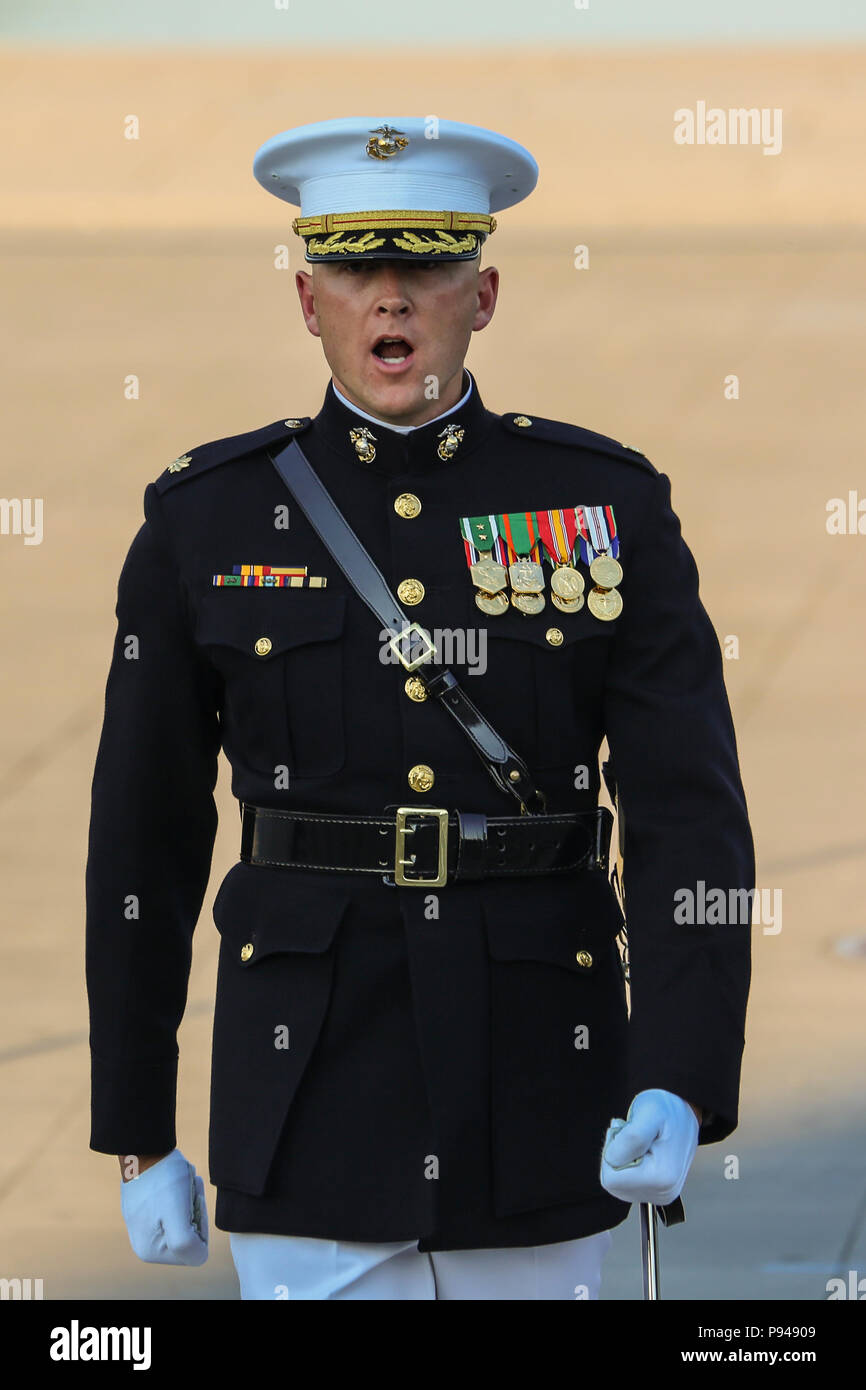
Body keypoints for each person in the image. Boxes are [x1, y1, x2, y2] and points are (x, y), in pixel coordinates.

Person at [85, 116, 755, 1300]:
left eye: (425, 269)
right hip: (308, 1106)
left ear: (482, 294)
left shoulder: (603, 507)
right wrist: (137, 1128)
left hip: (544, 1095)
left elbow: (688, 817)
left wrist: (677, 1074)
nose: (387, 302)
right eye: (352, 269)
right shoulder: (209, 522)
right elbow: (140, 839)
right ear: (307, 301)